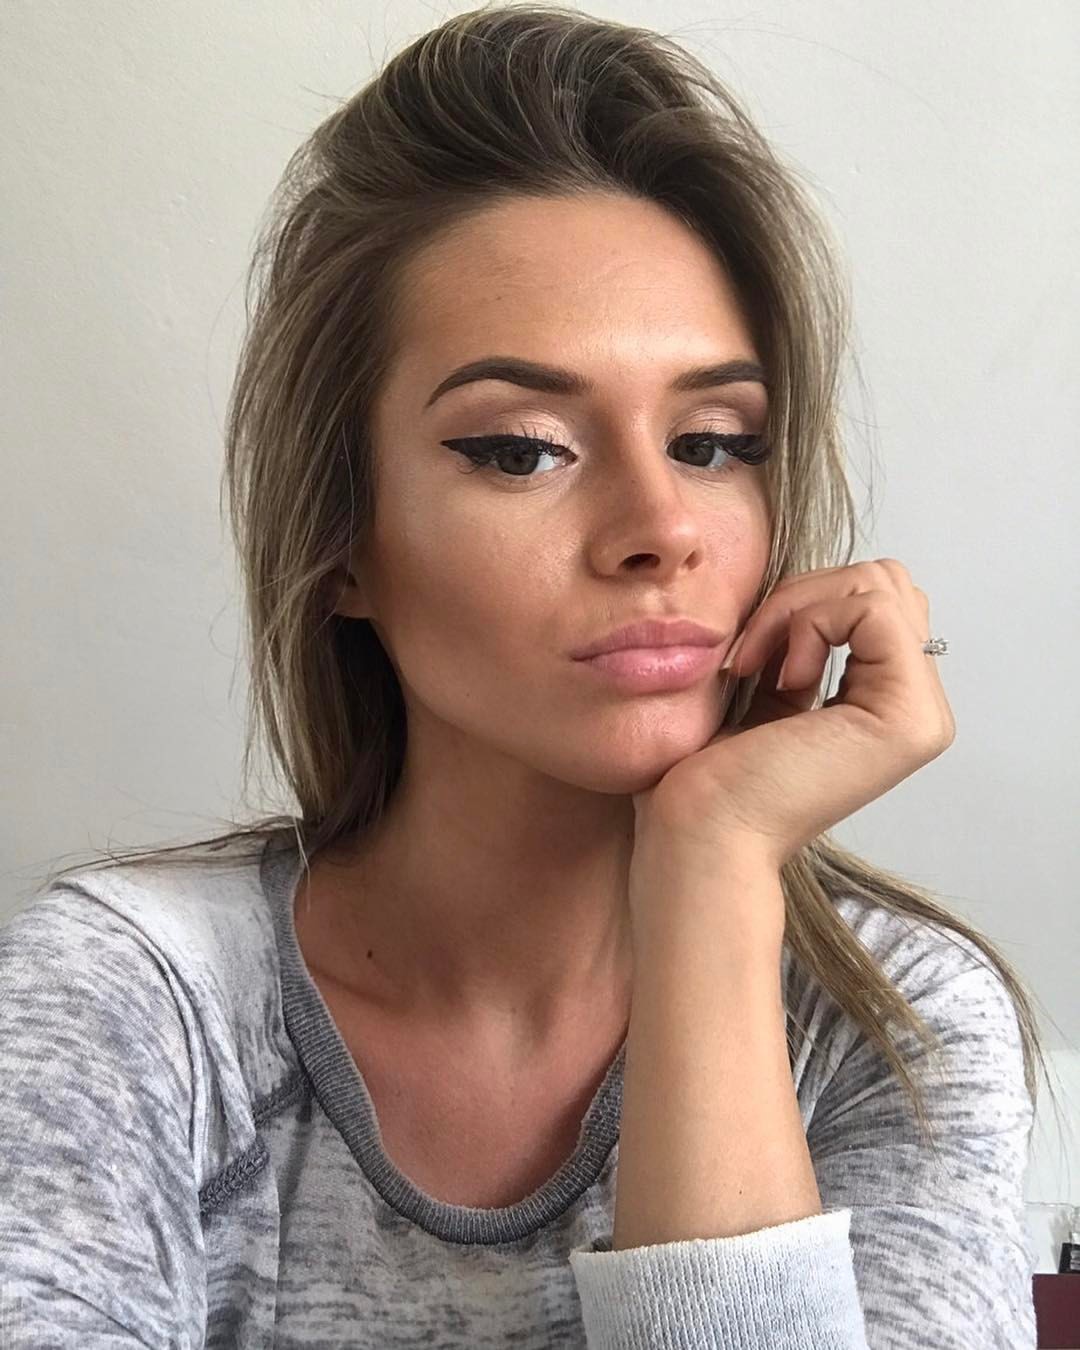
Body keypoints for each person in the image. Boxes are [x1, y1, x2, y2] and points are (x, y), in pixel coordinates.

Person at [0, 4, 1058, 1346]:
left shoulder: (896, 1026)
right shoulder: (132, 998)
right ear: (344, 541)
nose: (662, 528)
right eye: (520, 450)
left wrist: (714, 864)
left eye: (714, 442)